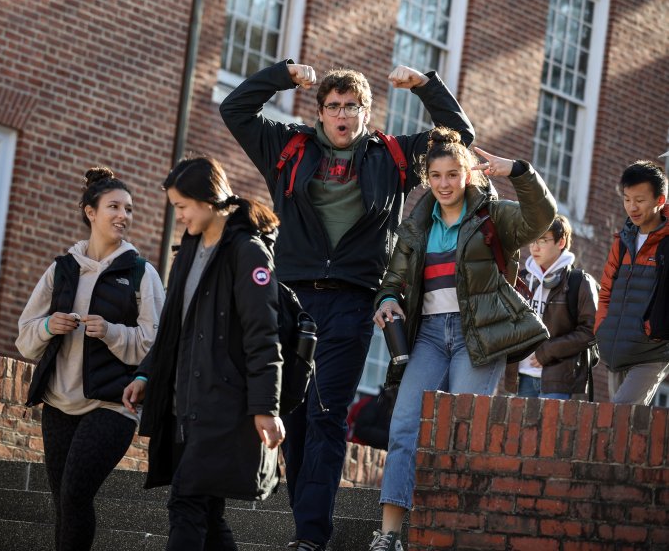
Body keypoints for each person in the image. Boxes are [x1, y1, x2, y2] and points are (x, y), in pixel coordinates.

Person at [220, 59, 474, 551]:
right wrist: (280, 76)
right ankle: (306, 529)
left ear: (365, 111)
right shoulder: (289, 146)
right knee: (293, 414)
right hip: (291, 299)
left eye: (351, 106)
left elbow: (458, 136)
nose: (341, 115)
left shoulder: (393, 154)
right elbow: (236, 109)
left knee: (327, 413)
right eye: (333, 106)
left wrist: (425, 85)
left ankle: (311, 536)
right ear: (320, 112)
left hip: (354, 302)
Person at [370, 127, 556, 550]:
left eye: (453, 174)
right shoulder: (416, 228)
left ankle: (454, 531)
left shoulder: (494, 216)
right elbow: (392, 281)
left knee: (464, 432)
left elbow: (541, 218)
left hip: (478, 336)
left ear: (468, 174)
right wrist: (385, 300)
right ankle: (389, 534)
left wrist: (520, 172)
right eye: (436, 176)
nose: (444, 184)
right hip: (430, 337)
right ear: (427, 179)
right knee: (403, 426)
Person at [121, 156, 285, 551]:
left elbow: (263, 334)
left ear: (207, 201)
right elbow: (174, 326)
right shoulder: (190, 248)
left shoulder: (247, 251)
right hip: (184, 405)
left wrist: (267, 406)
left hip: (222, 406)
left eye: (182, 207)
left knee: (186, 502)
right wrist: (147, 373)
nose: (179, 217)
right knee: (208, 517)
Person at [16, 167, 165, 551]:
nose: (123, 216)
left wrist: (112, 332)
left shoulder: (141, 273)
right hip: (58, 403)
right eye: (114, 206)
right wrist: (50, 325)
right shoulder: (61, 269)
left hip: (111, 403)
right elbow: (26, 336)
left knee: (75, 495)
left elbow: (158, 344)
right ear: (90, 212)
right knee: (63, 503)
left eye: (129, 209)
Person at [595, 160, 669, 405]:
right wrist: (602, 329)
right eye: (627, 199)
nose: (632, 207)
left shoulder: (666, 245)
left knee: (619, 416)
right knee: (621, 429)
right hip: (616, 349)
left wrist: (655, 330)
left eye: (640, 200)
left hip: (652, 352)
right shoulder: (622, 242)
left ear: (660, 200)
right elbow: (606, 291)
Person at [513, 215, 598, 399]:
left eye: (543, 240)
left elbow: (591, 332)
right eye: (533, 239)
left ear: (561, 242)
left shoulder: (579, 282)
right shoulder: (520, 279)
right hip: (521, 377)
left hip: (558, 380)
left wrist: (548, 351)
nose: (535, 246)